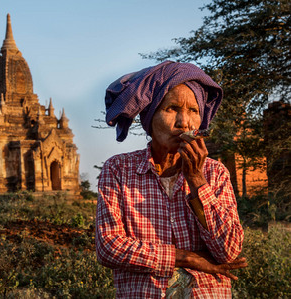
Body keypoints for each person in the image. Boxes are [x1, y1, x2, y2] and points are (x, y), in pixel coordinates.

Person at [96, 61, 247, 298]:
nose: (184, 122)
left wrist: (197, 179)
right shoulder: (119, 170)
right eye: (172, 108)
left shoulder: (215, 173)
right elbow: (109, 248)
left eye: (194, 111)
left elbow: (229, 250)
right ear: (149, 117)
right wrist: (188, 257)